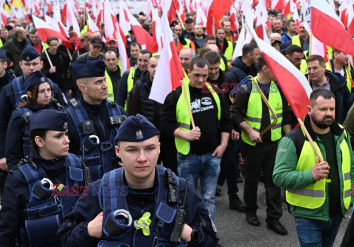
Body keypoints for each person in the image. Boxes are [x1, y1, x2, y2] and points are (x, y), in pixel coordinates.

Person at [57, 114, 219, 247]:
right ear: (118, 152)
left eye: (150, 148)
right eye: (132, 150)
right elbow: (65, 239)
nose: (142, 158)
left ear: (159, 148)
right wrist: (88, 230)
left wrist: (192, 236)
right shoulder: (98, 191)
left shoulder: (183, 191)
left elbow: (213, 242)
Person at [273, 89, 354, 247]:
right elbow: (279, 177)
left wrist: (350, 197)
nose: (329, 113)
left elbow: (351, 168)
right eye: (323, 109)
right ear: (309, 110)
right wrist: (311, 175)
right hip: (308, 217)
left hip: (337, 213)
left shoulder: (342, 134)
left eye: (331, 109)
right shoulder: (293, 139)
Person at [0, 109, 84, 247]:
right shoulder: (19, 178)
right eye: (58, 136)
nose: (67, 140)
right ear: (39, 141)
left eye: (66, 134)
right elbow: (6, 233)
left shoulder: (76, 165)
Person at [161, 57, 231, 220]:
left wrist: (223, 145)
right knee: (187, 199)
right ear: (188, 72)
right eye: (197, 75)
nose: (201, 80)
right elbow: (164, 125)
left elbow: (226, 120)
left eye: (205, 76)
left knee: (209, 199)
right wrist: (185, 134)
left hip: (212, 156)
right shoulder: (177, 94)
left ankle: (209, 235)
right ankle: (190, 235)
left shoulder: (215, 92)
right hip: (188, 157)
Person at [230, 57, 292, 235]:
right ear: (265, 69)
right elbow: (234, 113)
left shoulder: (278, 87)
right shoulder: (247, 87)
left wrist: (288, 139)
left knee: (274, 181)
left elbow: (285, 115)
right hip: (253, 145)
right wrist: (249, 131)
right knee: (251, 181)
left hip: (275, 144)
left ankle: (274, 219)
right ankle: (251, 211)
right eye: (274, 68)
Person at [66, 59, 126, 182]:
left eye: (104, 80)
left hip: (119, 184)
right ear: (83, 88)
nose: (105, 85)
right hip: (89, 191)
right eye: (98, 82)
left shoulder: (118, 111)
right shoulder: (70, 117)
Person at [204, 51, 246, 212]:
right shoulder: (201, 81)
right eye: (211, 69)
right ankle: (208, 194)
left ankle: (233, 197)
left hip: (226, 129)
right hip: (207, 129)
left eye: (216, 68)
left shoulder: (227, 80)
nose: (213, 72)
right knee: (209, 163)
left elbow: (233, 106)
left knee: (230, 163)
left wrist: (234, 127)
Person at [5, 71, 64, 169]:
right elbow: (12, 153)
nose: (47, 94)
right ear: (30, 94)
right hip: (32, 169)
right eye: (41, 91)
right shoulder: (19, 115)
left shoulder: (59, 110)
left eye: (49, 90)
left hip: (58, 167)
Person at [307, 55, 352, 123]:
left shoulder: (339, 82)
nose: (311, 72)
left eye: (315, 68)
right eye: (309, 69)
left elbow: (348, 105)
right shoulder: (305, 84)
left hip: (336, 126)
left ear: (324, 67)